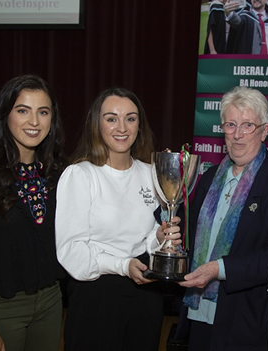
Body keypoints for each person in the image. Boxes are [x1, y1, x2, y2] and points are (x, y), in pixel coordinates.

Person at [54, 87, 182, 351]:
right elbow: (71, 251)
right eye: (111, 118)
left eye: (130, 118)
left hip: (146, 293)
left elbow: (146, 238)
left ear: (139, 125)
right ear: (96, 124)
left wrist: (158, 239)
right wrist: (123, 265)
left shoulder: (152, 173)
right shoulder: (80, 175)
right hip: (96, 295)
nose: (121, 127)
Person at [0, 75, 67, 351]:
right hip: (0, 307)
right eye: (22, 111)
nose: (34, 121)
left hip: (51, 302)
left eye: (43, 112)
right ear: (5, 115)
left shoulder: (56, 171)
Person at [177, 86, 268, 351]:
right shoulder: (209, 177)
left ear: (265, 130)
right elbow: (191, 234)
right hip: (199, 310)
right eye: (230, 125)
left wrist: (220, 269)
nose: (238, 135)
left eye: (248, 125)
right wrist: (170, 232)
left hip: (244, 318)